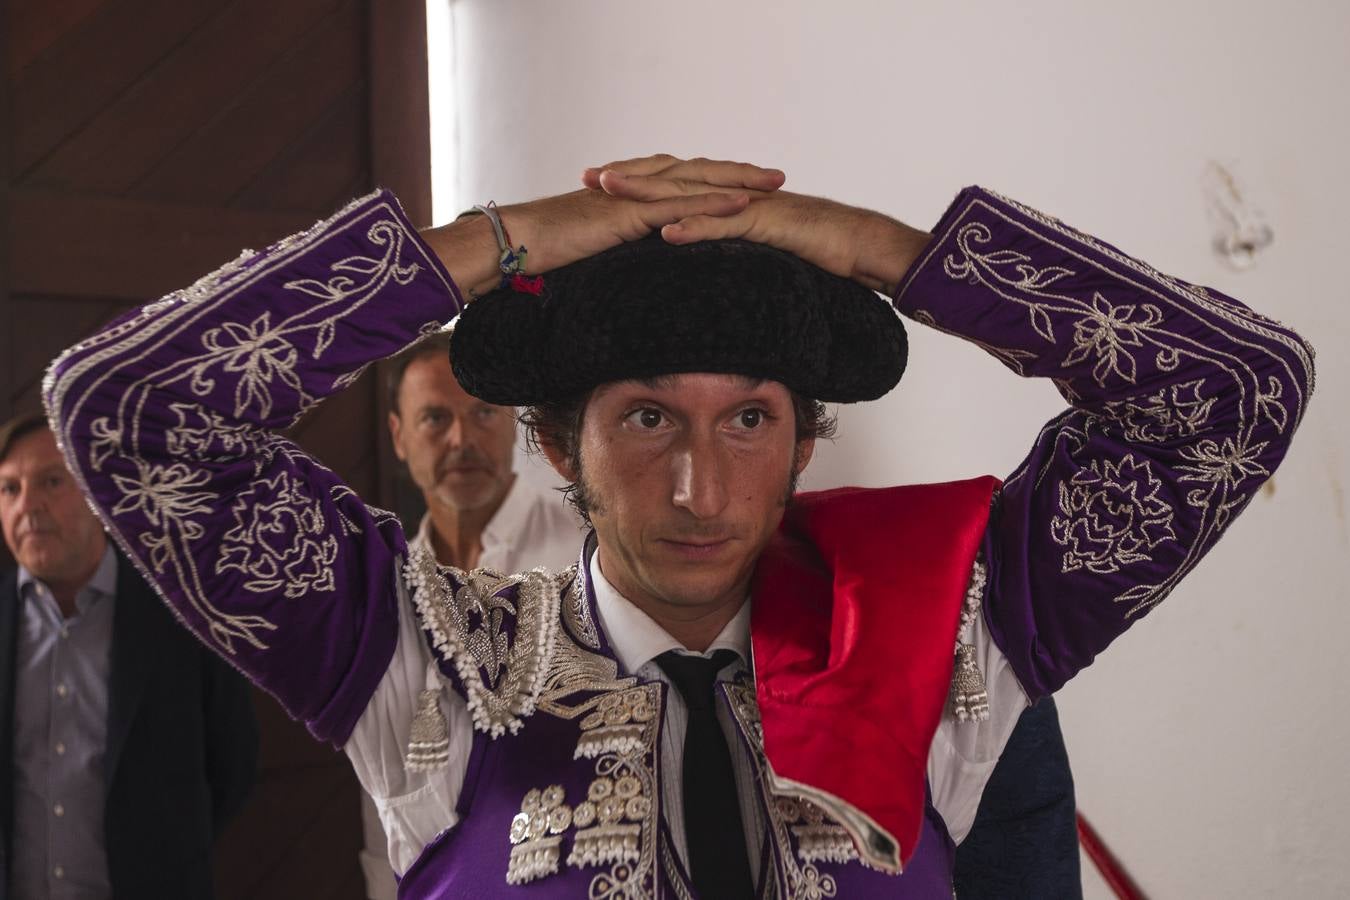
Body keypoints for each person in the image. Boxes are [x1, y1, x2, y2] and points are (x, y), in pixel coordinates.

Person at [41, 155, 1313, 897]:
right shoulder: (423, 652)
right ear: (555, 446)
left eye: (749, 422)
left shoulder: (946, 630)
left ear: (807, 440)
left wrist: (877, 247)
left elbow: (1233, 394)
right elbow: (124, 411)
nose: (702, 489)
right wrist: (502, 241)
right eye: (647, 421)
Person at [359, 337, 584, 898]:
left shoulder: (590, 550)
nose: (461, 440)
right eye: (435, 418)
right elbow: (385, 787)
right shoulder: (387, 591)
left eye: (483, 412)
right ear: (399, 438)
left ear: (514, 423)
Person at [0, 412, 258, 900]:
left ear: (97, 492)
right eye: (9, 489)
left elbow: (235, 764)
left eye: (50, 482)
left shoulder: (183, 615)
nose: (27, 506)